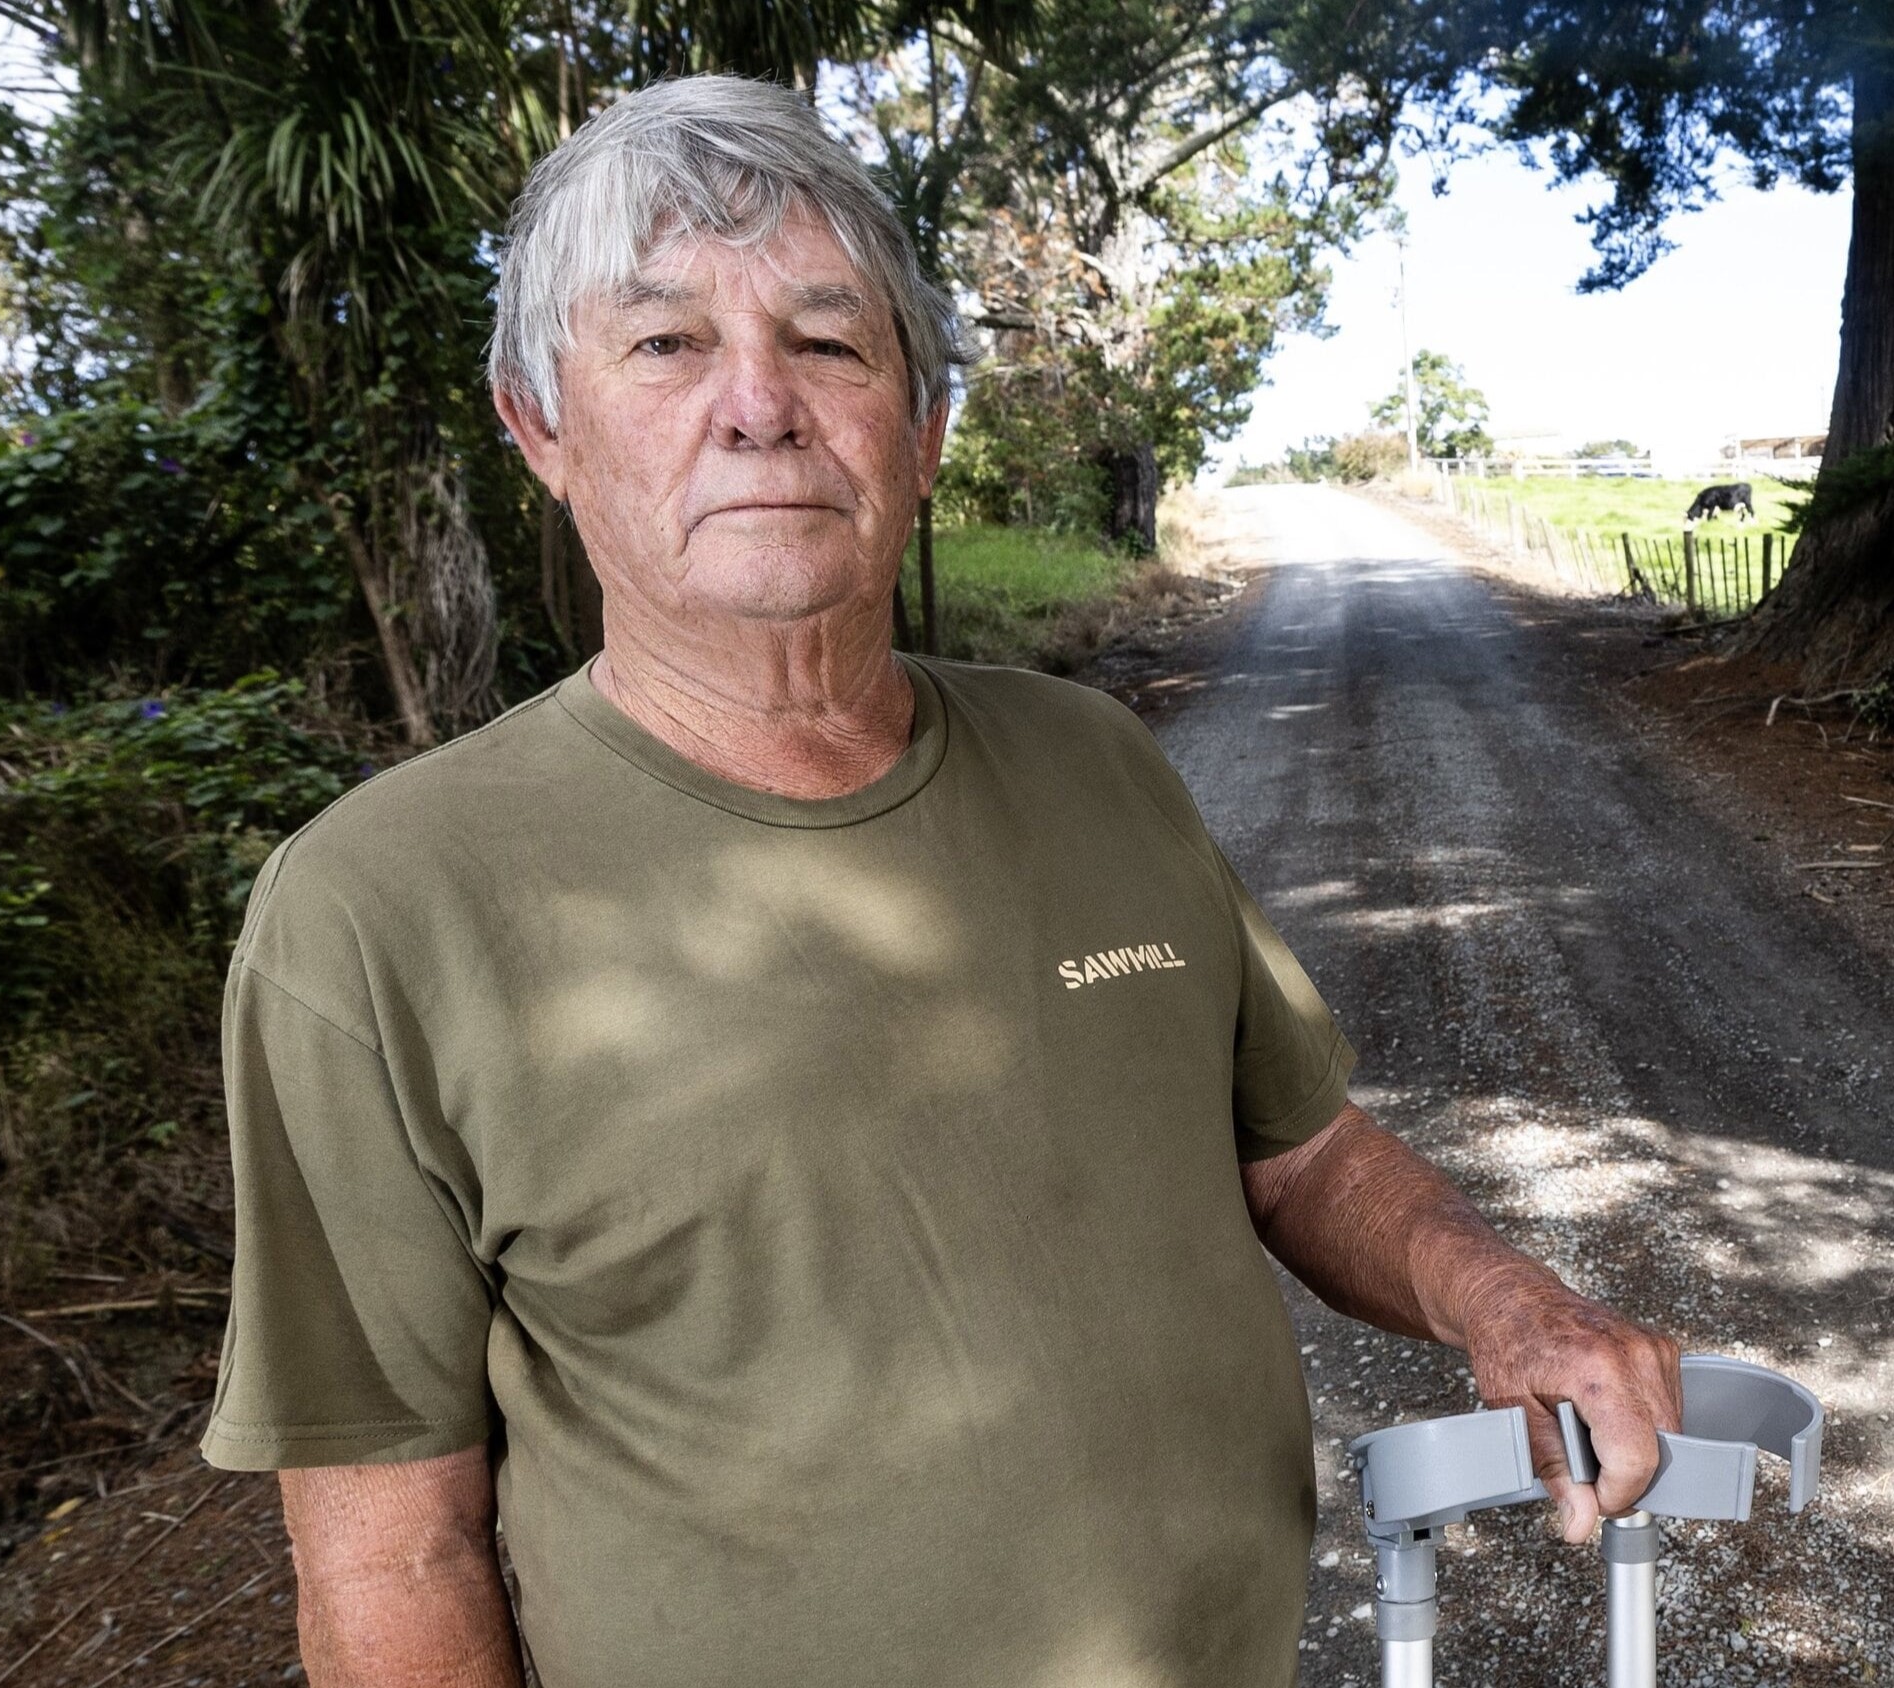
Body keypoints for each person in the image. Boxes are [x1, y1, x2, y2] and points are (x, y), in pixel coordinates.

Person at [204, 74, 1680, 1688]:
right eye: (667, 342)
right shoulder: (375, 913)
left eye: (830, 344)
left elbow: (1299, 1151)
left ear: (923, 433)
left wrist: (1504, 1300)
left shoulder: (1091, 756)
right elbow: (391, 1557)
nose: (759, 405)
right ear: (540, 428)